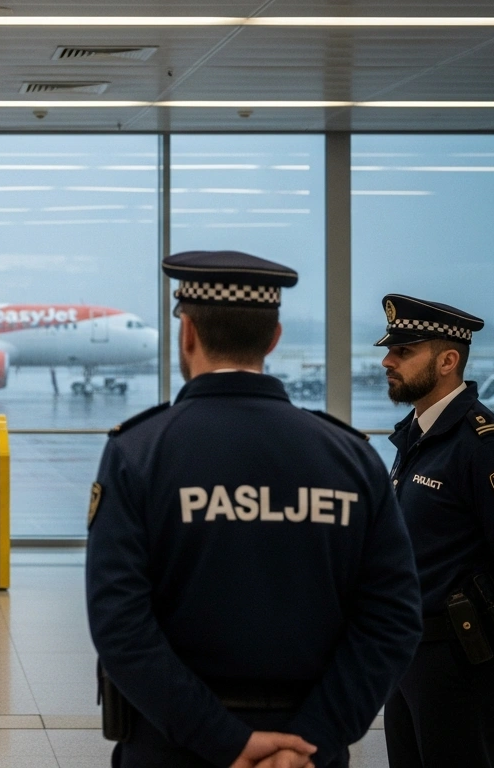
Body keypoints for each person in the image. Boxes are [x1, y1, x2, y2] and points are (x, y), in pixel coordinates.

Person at [87, 252, 425, 768]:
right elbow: (394, 618)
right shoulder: (351, 457)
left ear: (188, 335)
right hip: (310, 750)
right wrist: (312, 738)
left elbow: (120, 624)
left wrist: (226, 741)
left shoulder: (139, 452)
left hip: (175, 747)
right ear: (273, 339)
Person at [373, 294, 494, 768]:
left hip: (459, 661)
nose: (387, 360)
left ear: (448, 360)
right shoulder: (418, 437)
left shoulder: (482, 447)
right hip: (409, 653)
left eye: (404, 351)